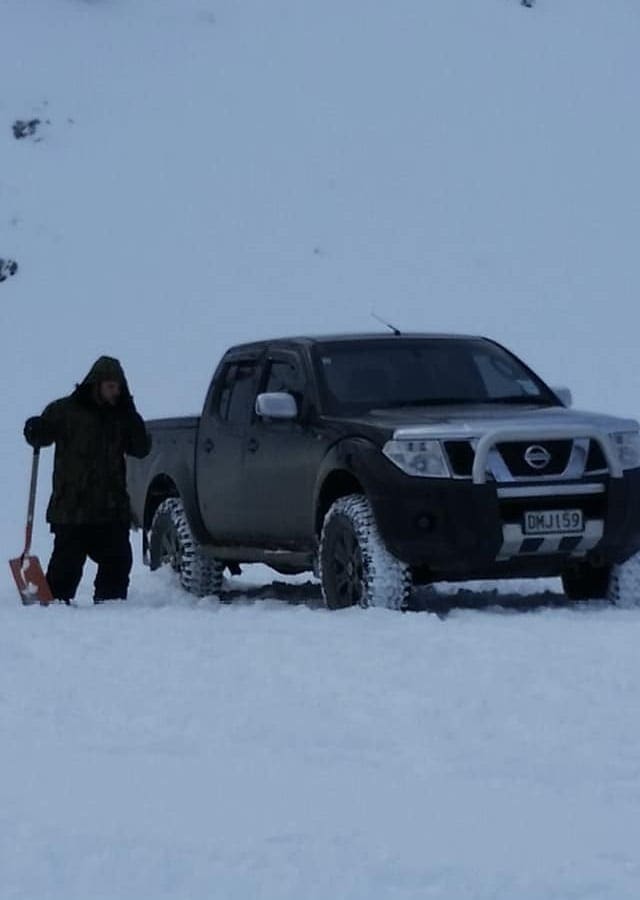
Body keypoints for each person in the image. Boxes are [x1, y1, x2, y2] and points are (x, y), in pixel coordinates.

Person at [23, 356, 151, 605]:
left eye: (119, 387)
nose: (116, 392)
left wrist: (132, 416)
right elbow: (43, 435)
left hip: (111, 507)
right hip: (72, 508)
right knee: (65, 568)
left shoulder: (122, 417)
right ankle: (53, 612)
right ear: (96, 384)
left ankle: (110, 609)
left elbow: (141, 448)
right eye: (111, 386)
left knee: (118, 562)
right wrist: (34, 430)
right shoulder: (64, 411)